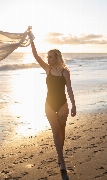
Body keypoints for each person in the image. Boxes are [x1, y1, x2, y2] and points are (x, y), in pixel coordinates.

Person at [28, 31, 76, 172]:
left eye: (50, 57)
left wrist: (73, 105)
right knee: (55, 132)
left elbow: (70, 90)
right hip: (49, 104)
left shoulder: (65, 72)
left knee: (62, 131)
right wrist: (31, 40)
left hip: (62, 104)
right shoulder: (47, 69)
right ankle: (61, 159)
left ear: (57, 58)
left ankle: (60, 156)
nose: (48, 59)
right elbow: (36, 56)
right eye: (47, 57)